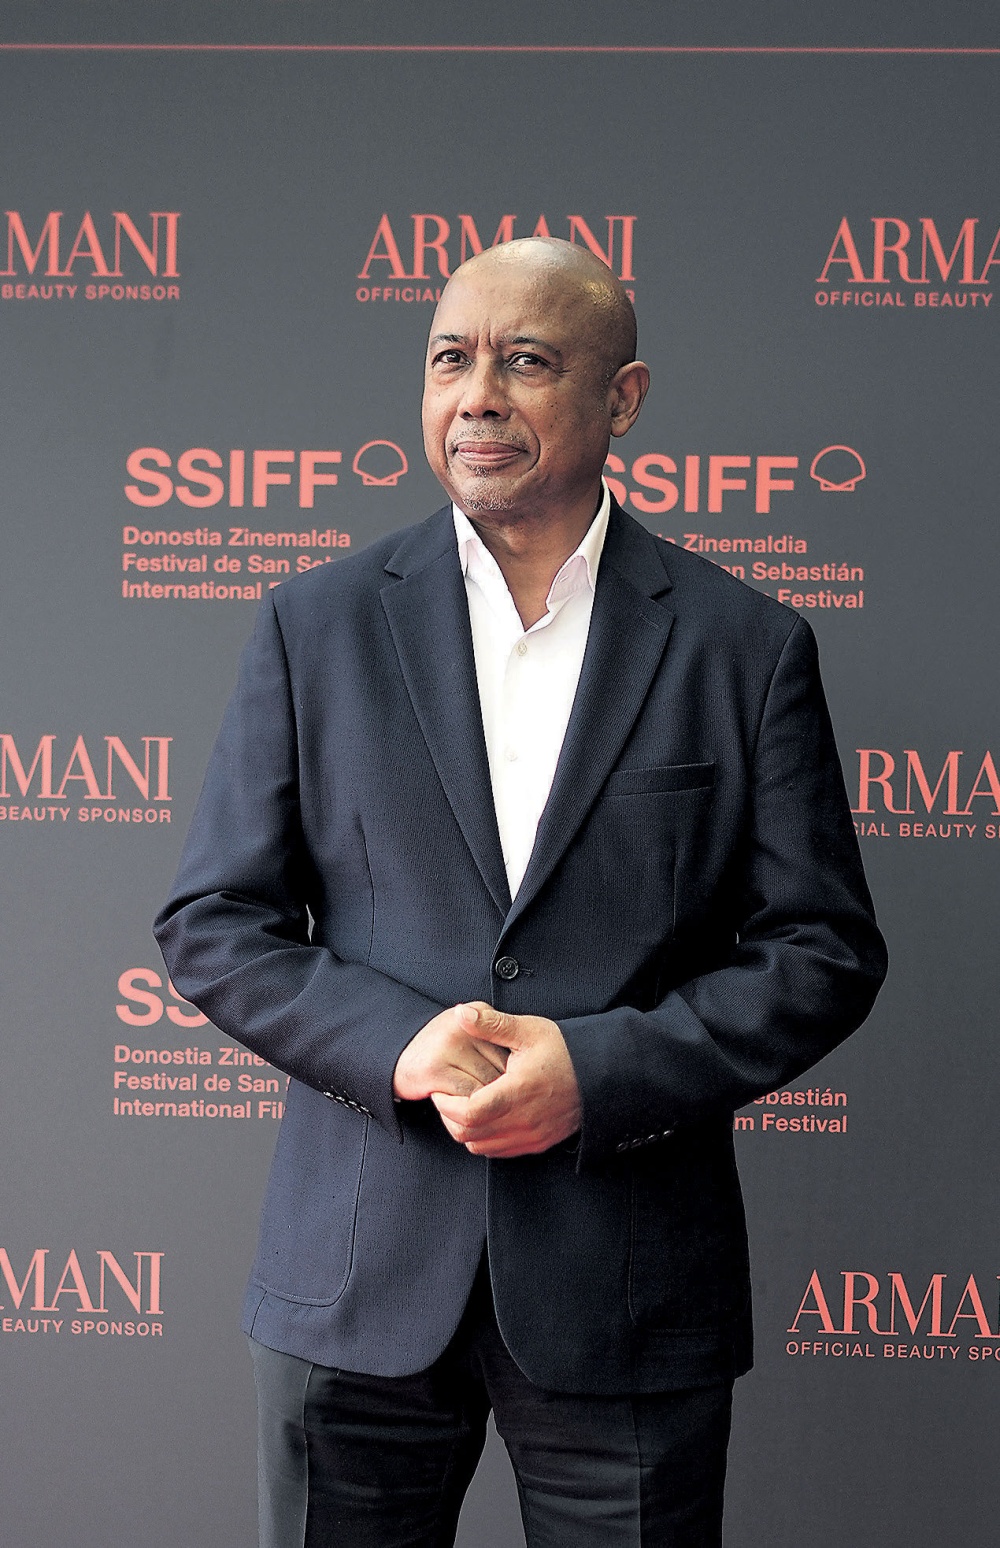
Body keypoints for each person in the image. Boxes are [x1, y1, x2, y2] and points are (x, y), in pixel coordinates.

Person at [155, 237, 887, 1547]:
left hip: (631, 1289)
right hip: (355, 1281)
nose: (477, 396)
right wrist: (400, 1045)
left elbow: (821, 950)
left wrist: (596, 1074)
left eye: (527, 361)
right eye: (451, 359)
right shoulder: (314, 626)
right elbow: (215, 922)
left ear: (623, 398)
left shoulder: (746, 646)